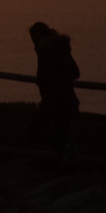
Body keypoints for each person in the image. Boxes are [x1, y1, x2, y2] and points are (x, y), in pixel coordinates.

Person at [30, 21, 82, 163]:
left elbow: (42, 78)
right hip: (68, 101)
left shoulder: (44, 50)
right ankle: (65, 161)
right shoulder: (62, 49)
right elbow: (75, 72)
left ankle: (64, 162)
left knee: (35, 134)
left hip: (52, 102)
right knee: (61, 137)